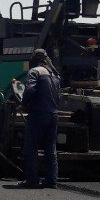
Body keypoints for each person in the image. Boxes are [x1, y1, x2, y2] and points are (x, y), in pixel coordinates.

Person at [20, 49, 61, 188]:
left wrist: (24, 104)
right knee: (51, 147)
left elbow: (30, 89)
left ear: (35, 59)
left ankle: (32, 180)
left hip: (38, 113)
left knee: (32, 146)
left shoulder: (35, 71)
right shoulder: (55, 74)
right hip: (53, 114)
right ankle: (51, 181)